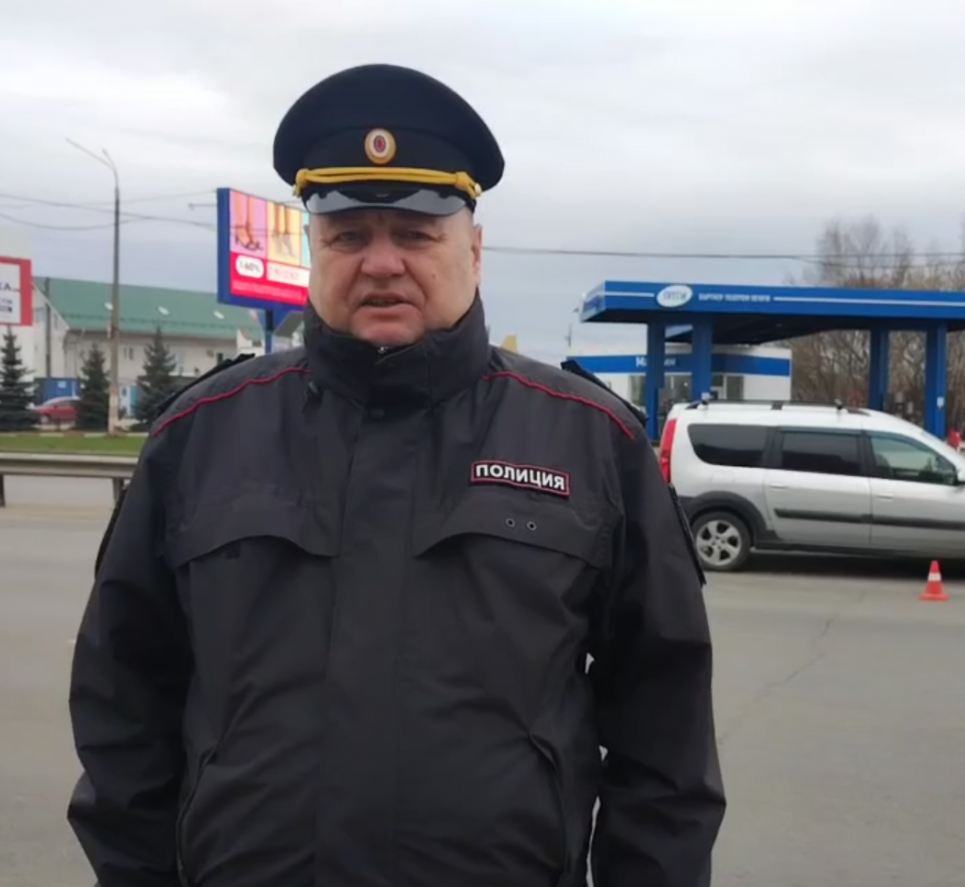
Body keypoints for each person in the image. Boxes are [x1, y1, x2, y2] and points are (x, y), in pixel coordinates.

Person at [66, 63, 726, 887]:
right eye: (349, 235)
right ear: (314, 250)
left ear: (474, 249)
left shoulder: (591, 443)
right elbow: (124, 710)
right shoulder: (200, 437)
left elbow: (665, 744)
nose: (382, 262)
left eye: (415, 233)